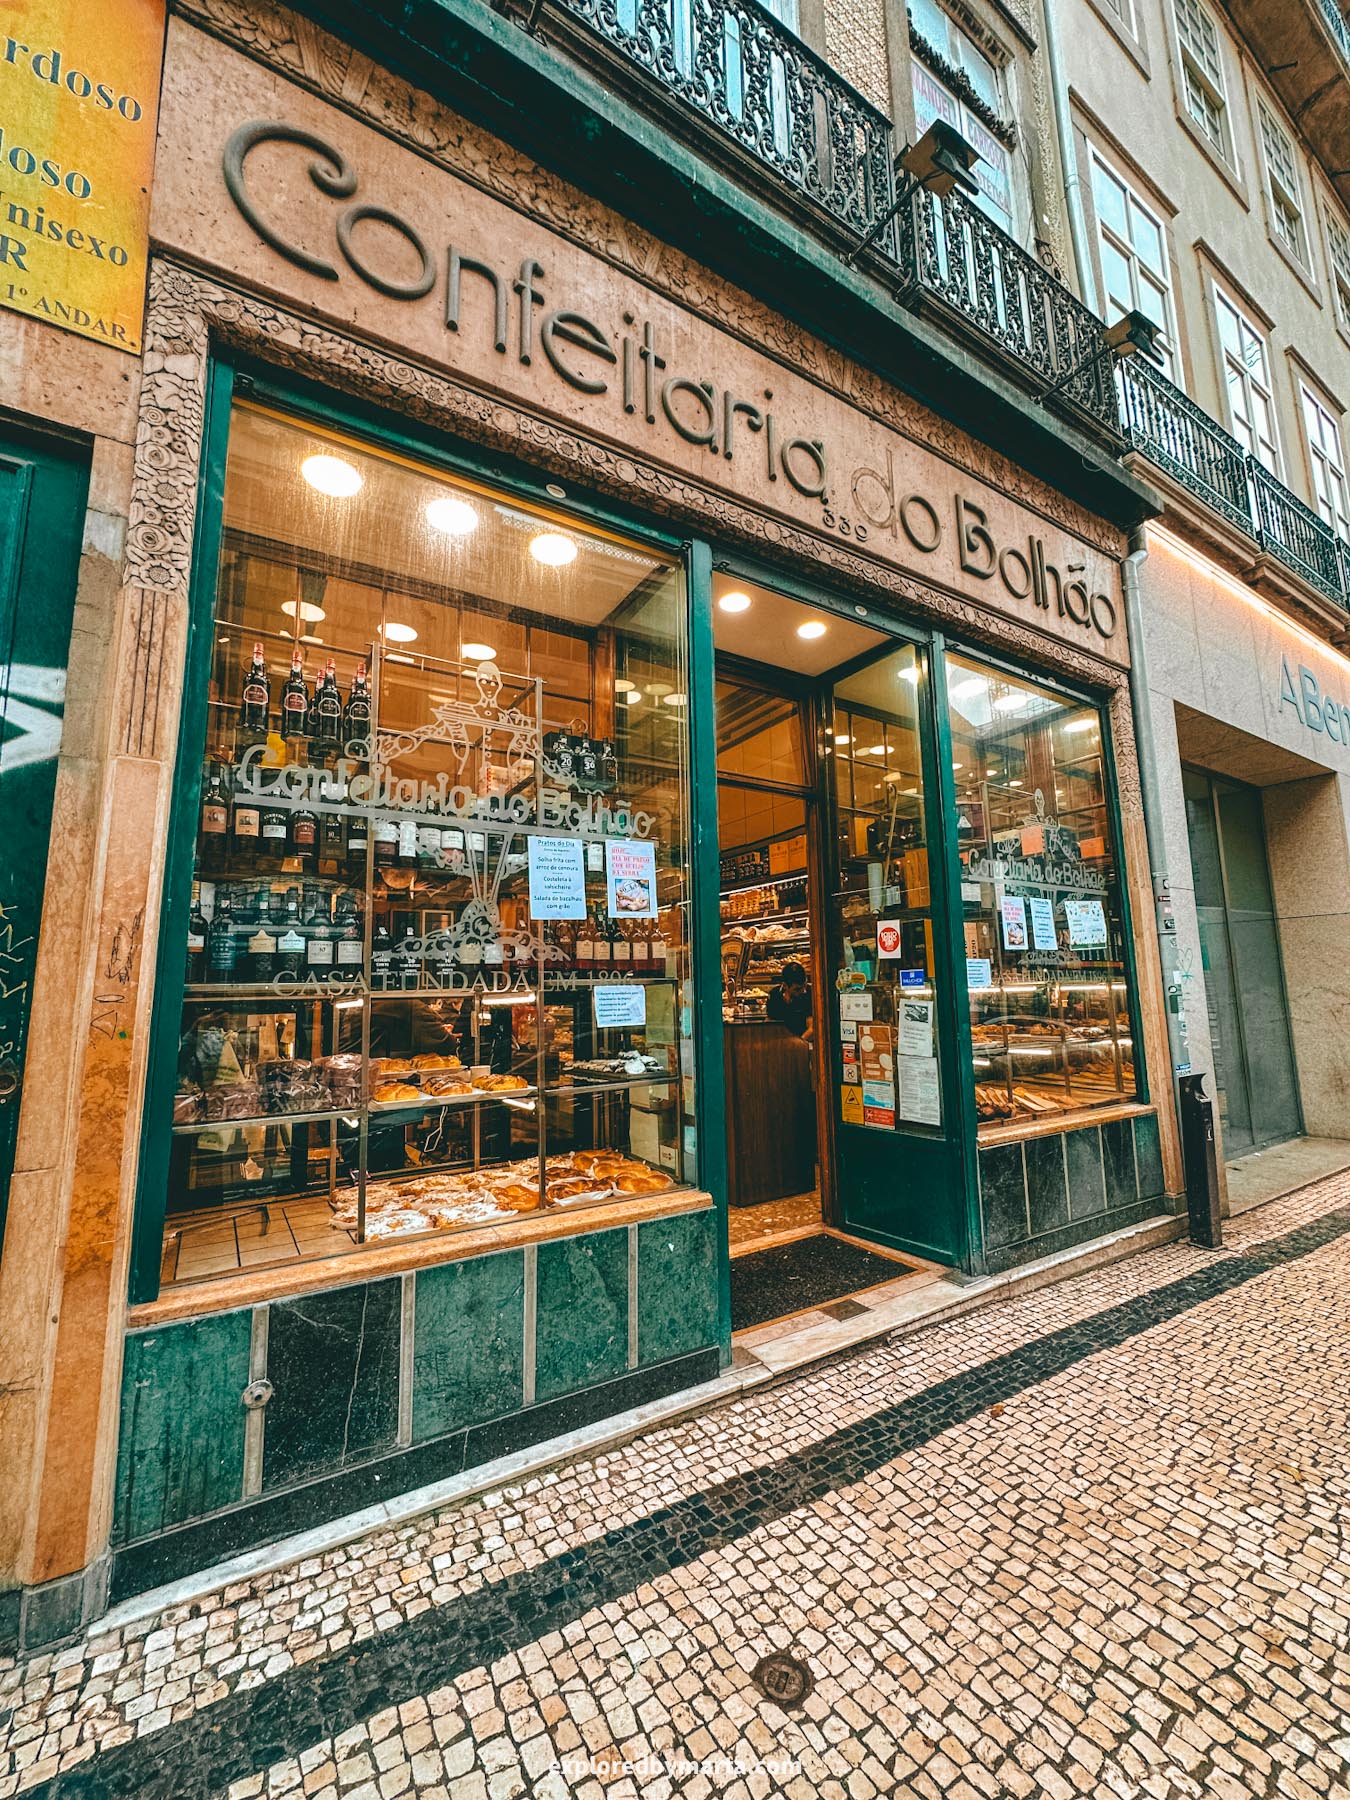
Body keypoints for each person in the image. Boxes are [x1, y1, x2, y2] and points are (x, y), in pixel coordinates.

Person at [766, 961, 812, 1038]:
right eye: (797, 989)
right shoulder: (774, 995)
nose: (804, 991)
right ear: (785, 986)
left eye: (805, 985)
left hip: (804, 1042)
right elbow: (770, 1024)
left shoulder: (809, 994)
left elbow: (812, 1028)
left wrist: (798, 1044)